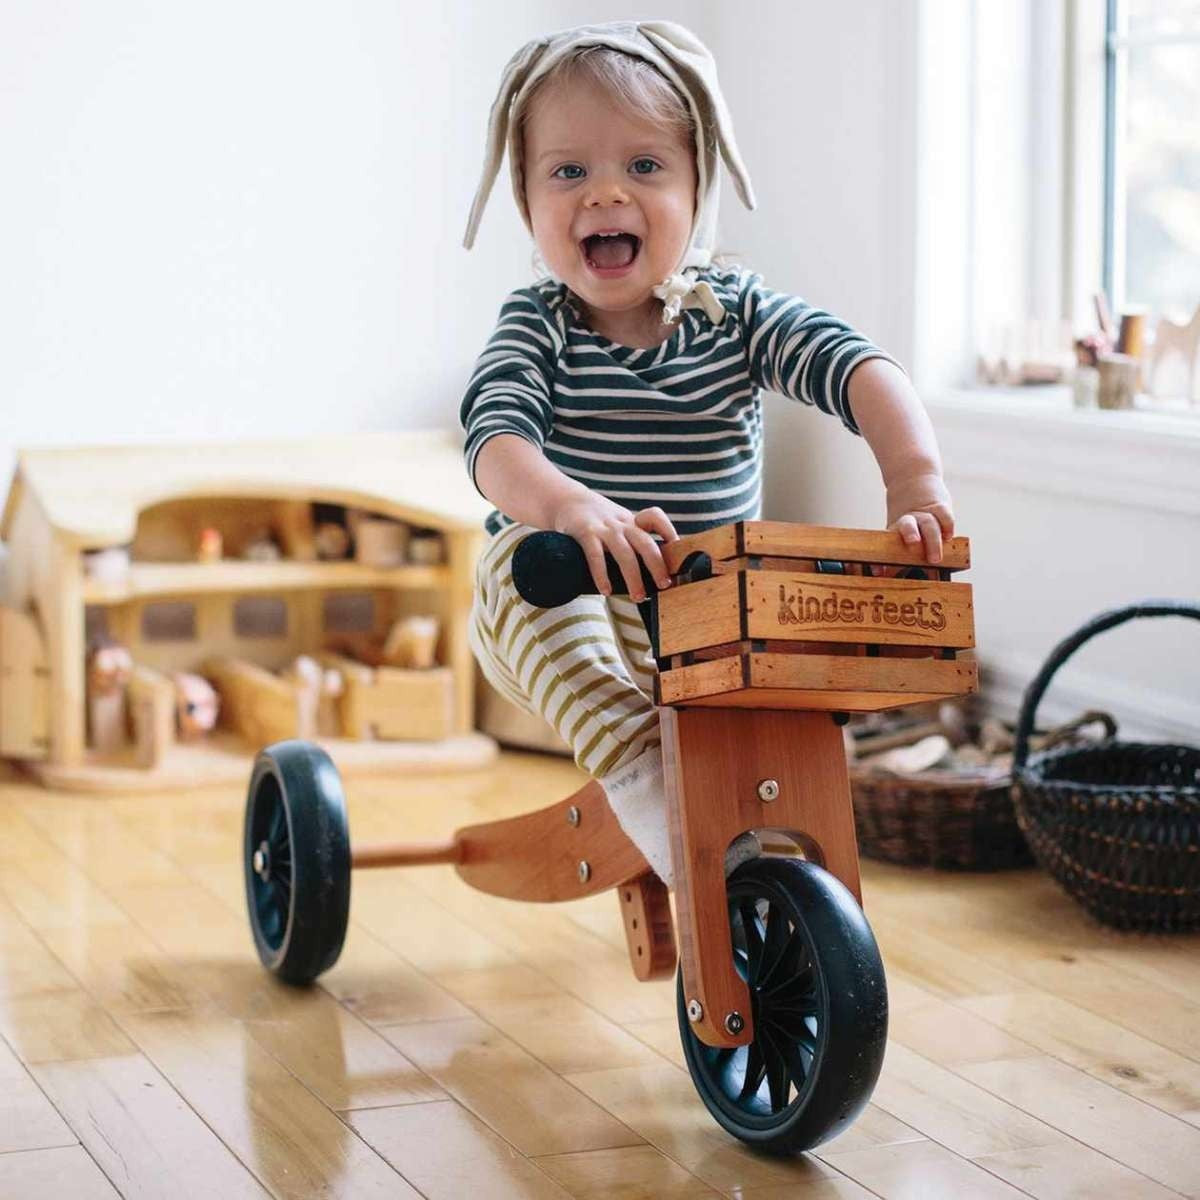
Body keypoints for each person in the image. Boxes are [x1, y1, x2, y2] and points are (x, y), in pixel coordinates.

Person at [459, 20, 954, 887]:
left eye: (644, 167)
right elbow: (495, 440)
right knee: (519, 571)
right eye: (569, 170)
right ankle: (648, 772)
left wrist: (914, 481)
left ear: (698, 187)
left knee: (788, 614)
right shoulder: (537, 323)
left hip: (700, 621)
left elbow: (862, 369)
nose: (606, 194)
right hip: (560, 590)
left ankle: (780, 856)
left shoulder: (735, 312)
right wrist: (571, 507)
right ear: (528, 202)